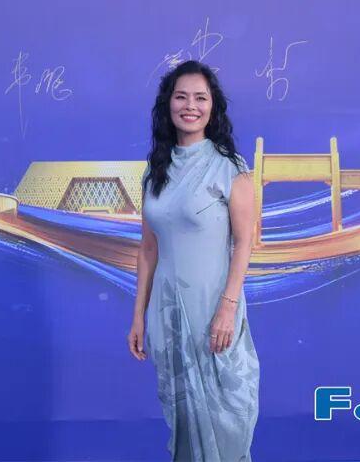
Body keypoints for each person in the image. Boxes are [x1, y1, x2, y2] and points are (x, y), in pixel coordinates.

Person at [128, 60, 261, 461]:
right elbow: (148, 249)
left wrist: (228, 308)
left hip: (215, 312)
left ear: (212, 106)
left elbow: (245, 243)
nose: (190, 106)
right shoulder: (154, 172)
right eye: (181, 97)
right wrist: (138, 316)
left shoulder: (229, 168)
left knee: (227, 420)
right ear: (167, 105)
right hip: (167, 314)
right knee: (184, 422)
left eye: (200, 98)